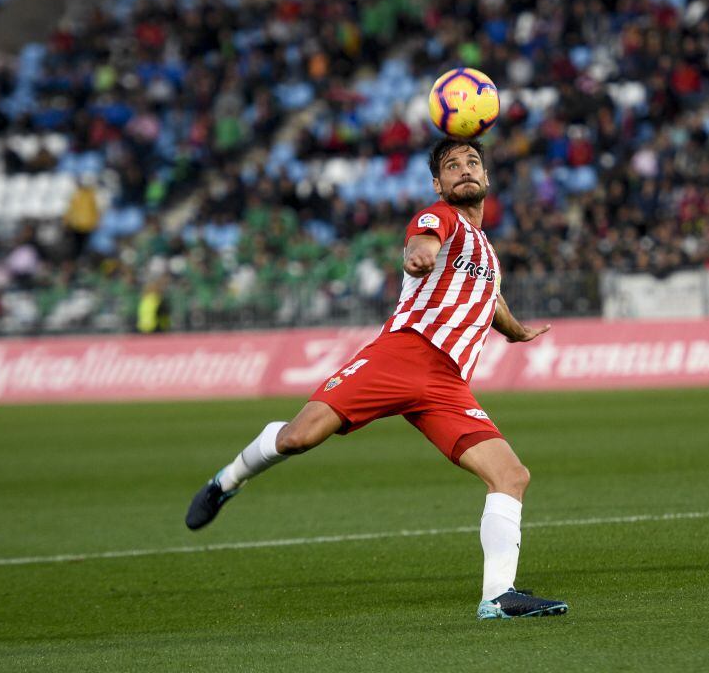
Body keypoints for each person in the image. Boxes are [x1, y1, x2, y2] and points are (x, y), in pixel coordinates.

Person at [185, 137, 568, 619]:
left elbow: (489, 301)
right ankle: (228, 480)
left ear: (487, 178)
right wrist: (418, 255)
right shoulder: (440, 218)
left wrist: (515, 331)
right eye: (452, 166)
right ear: (438, 183)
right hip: (399, 357)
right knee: (299, 437)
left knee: (511, 475)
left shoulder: (488, 255)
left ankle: (498, 596)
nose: (465, 170)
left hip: (447, 384)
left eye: (473, 162)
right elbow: (422, 240)